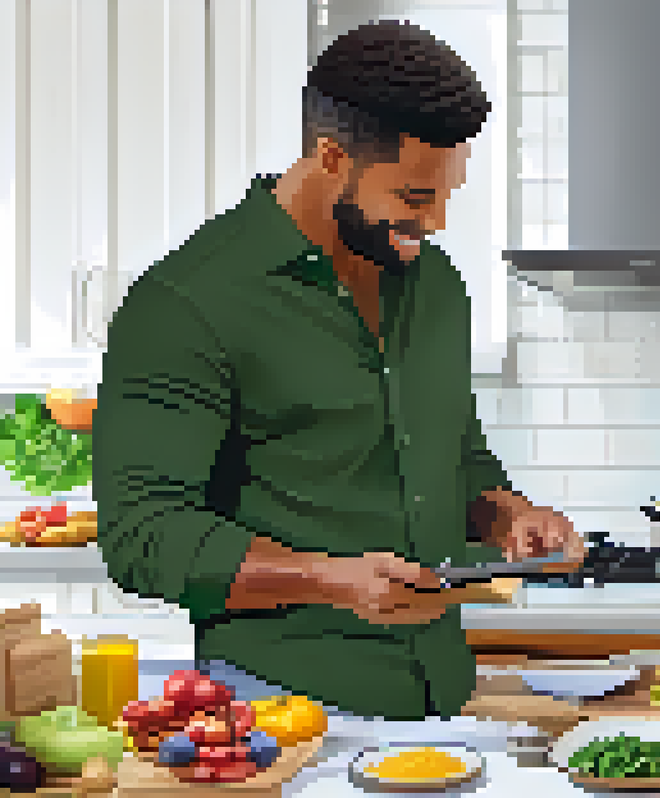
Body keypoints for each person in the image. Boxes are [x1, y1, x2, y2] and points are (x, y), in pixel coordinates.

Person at [94, 21, 583, 720]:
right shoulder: (186, 303)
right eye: (415, 198)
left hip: (444, 704)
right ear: (330, 158)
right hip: (278, 721)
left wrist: (510, 516)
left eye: (447, 195)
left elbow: (456, 457)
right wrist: (327, 580)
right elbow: (142, 535)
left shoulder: (434, 287)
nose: (438, 222)